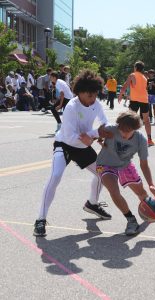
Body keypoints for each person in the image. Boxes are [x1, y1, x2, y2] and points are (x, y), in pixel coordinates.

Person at [33, 70, 113, 237]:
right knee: (55, 176)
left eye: (95, 95)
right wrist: (93, 135)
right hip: (65, 145)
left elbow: (105, 122)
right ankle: (41, 219)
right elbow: (70, 137)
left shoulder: (95, 104)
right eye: (90, 96)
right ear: (80, 92)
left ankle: (92, 203)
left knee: (103, 173)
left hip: (82, 146)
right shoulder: (71, 106)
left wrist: (100, 133)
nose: (93, 99)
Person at [96, 110, 155, 235]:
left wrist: (151, 184)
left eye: (127, 131)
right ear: (118, 126)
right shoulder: (111, 129)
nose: (123, 133)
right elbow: (98, 131)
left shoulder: (140, 140)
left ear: (135, 129)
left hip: (125, 164)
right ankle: (131, 220)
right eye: (121, 130)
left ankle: (152, 210)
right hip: (104, 164)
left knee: (141, 193)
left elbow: (144, 164)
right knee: (114, 191)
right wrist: (99, 135)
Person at [118, 61, 155, 146]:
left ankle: (127, 138)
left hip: (135, 100)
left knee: (129, 119)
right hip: (144, 100)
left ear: (135, 67)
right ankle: (149, 139)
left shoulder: (132, 75)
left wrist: (120, 95)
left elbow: (125, 85)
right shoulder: (144, 77)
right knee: (146, 120)